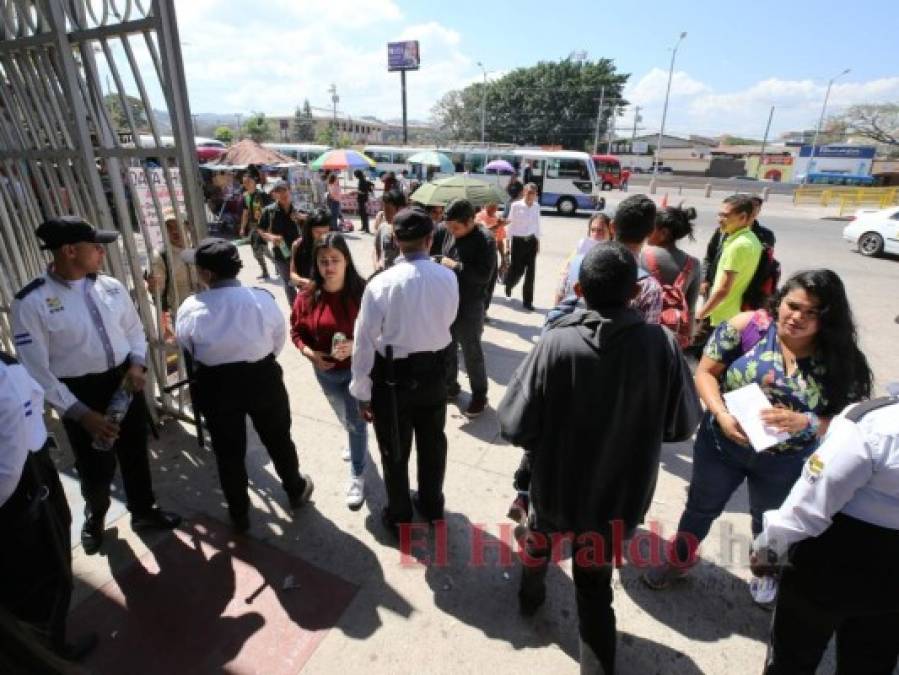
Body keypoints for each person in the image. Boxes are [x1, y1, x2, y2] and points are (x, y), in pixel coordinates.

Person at [498, 241, 701, 675]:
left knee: (538, 543)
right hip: (619, 498)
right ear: (634, 294)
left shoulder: (555, 342)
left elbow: (514, 424)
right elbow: (681, 425)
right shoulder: (661, 345)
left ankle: (529, 597)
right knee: (594, 590)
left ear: (578, 288)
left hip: (553, 490)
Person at [643, 270, 874, 595]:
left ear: (828, 319)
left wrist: (806, 423)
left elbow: (851, 422)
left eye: (812, 313)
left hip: (787, 461)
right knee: (700, 507)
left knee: (769, 519)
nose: (798, 318)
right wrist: (721, 414)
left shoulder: (839, 360)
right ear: (780, 301)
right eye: (793, 306)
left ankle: (765, 572)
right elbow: (706, 373)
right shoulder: (747, 327)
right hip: (721, 446)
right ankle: (679, 559)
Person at [11, 217, 181, 555]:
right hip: (78, 393)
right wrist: (81, 413)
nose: (101, 252)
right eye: (94, 245)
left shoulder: (111, 286)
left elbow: (133, 330)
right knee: (94, 465)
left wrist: (137, 364)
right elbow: (36, 371)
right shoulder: (30, 302)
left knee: (135, 451)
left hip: (124, 381)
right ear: (70, 251)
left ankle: (143, 511)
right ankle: (96, 515)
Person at [751, 386, 899, 674]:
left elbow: (807, 508)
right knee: (871, 663)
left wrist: (767, 550)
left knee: (791, 660)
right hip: (891, 589)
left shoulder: (875, 424)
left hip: (828, 566)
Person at [176, 238, 314, 532]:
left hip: (216, 384)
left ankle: (239, 513)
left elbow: (187, 346)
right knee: (278, 438)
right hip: (261, 377)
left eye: (199, 268)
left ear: (208, 274)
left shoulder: (190, 307)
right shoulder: (262, 299)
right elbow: (277, 340)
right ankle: (295, 489)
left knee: (228, 452)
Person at [350, 206, 459, 534]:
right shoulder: (449, 276)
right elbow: (450, 319)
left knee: (394, 449)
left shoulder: (381, 284)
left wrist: (362, 391)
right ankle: (431, 503)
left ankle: (399, 515)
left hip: (393, 377)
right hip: (435, 371)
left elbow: (363, 342)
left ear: (395, 240)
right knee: (433, 443)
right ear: (430, 239)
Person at [0, 351, 98, 662]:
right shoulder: (6, 372)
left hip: (20, 482)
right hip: (21, 492)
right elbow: (11, 462)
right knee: (46, 581)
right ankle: (50, 654)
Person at [291, 233, 368, 509]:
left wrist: (357, 345)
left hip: (357, 373)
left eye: (335, 260)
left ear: (346, 260)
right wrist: (309, 353)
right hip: (325, 373)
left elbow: (382, 333)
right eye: (323, 261)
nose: (329, 267)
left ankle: (358, 474)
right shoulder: (307, 296)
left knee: (357, 423)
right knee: (345, 417)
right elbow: (296, 331)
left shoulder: (363, 293)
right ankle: (353, 435)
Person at [433, 199, 496, 418]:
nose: (452, 232)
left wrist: (456, 266)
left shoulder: (485, 239)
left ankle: (480, 395)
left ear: (470, 221)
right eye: (449, 227)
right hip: (446, 301)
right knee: (446, 347)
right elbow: (436, 252)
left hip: (470, 304)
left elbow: (484, 276)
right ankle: (450, 387)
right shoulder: (446, 230)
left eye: (456, 228)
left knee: (471, 351)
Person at [695, 195, 763, 329]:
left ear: (743, 217)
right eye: (719, 215)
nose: (719, 220)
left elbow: (723, 289)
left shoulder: (739, 245)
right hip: (730, 313)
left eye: (725, 216)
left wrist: (700, 315)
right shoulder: (750, 239)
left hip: (720, 315)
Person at [640, 206, 701, 345]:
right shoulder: (694, 264)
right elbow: (691, 308)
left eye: (651, 227)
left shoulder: (642, 256)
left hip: (644, 332)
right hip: (673, 337)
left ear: (664, 233)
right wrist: (689, 335)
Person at [610, 195, 663, 324]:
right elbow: (649, 338)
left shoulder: (577, 265)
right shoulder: (649, 288)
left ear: (612, 226)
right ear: (651, 232)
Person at [259, 179, 301, 306]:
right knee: (289, 284)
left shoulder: (300, 208)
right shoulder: (269, 211)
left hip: (301, 253)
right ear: (274, 194)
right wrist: (271, 238)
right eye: (278, 191)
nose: (283, 194)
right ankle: (295, 311)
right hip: (281, 254)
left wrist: (301, 218)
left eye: (284, 190)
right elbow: (260, 230)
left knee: (303, 282)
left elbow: (315, 225)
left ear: (290, 190)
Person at [553, 213, 612, 306]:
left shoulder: (616, 256)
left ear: (610, 232)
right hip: (576, 306)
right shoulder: (579, 252)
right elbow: (563, 282)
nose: (596, 235)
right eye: (593, 230)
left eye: (601, 231)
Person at [147, 209, 194, 323]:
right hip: (180, 314)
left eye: (178, 225)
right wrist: (153, 287)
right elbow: (158, 291)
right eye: (169, 227)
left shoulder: (199, 247)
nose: (174, 231)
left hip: (206, 308)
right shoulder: (160, 256)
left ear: (187, 226)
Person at [504, 182, 541, 311]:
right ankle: (509, 284)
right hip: (518, 242)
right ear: (524, 192)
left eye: (534, 193)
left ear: (536, 195)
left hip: (531, 241)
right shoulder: (515, 205)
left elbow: (537, 224)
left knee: (530, 273)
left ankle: (527, 301)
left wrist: (538, 241)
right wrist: (508, 245)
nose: (531, 195)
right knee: (517, 270)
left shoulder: (536, 207)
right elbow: (510, 225)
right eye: (529, 192)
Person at [474, 201, 508, 310]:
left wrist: (503, 258)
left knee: (491, 284)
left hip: (492, 255)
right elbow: (482, 232)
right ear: (486, 204)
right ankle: (478, 309)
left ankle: (484, 310)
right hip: (480, 255)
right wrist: (498, 225)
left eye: (496, 206)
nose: (494, 208)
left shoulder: (498, 218)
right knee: (481, 284)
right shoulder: (479, 217)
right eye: (492, 205)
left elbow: (499, 241)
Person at [238, 174, 272, 280]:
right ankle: (266, 270)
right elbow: (245, 213)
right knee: (257, 249)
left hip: (263, 226)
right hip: (253, 227)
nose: (246, 184)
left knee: (262, 249)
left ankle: (277, 265)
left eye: (248, 181)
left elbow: (270, 211)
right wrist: (243, 227)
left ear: (254, 182)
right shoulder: (245, 196)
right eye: (244, 182)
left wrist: (270, 227)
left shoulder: (262, 195)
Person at [289, 208, 331, 292]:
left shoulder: (333, 244)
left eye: (325, 232)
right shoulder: (298, 245)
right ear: (309, 230)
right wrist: (305, 282)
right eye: (318, 232)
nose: (322, 236)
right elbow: (293, 274)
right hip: (307, 292)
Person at [373, 189, 406, 272]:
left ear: (400, 209)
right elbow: (376, 250)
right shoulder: (382, 228)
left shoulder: (409, 232)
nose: (385, 213)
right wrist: (377, 264)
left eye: (388, 209)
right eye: (384, 209)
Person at [354, 169, 374, 234]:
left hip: (362, 200)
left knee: (364, 214)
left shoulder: (362, 181)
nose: (355, 176)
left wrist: (355, 191)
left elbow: (362, 192)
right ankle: (363, 227)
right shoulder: (363, 180)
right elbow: (371, 185)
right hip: (363, 199)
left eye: (355, 175)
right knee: (362, 214)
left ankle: (367, 229)